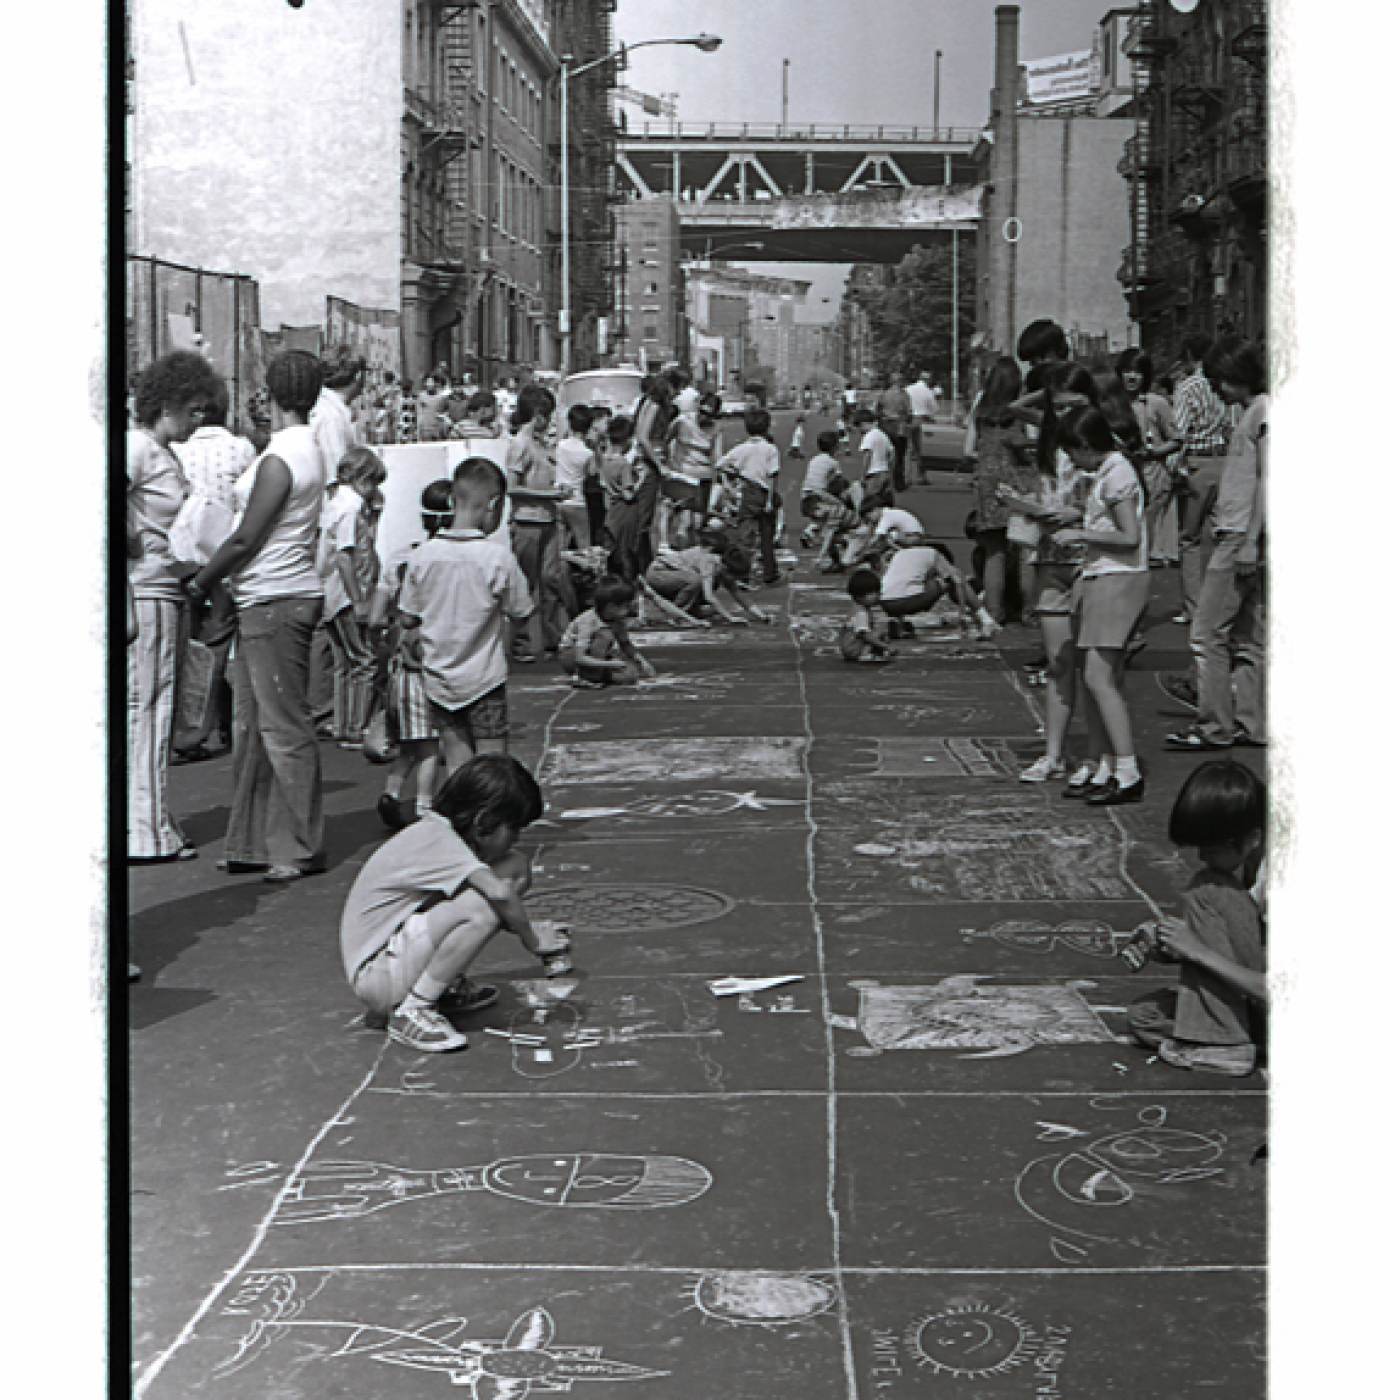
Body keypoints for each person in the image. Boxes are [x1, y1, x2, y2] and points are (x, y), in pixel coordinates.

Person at [185, 350, 330, 882]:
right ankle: (253, 840)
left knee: (282, 726)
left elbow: (247, 535)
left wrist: (202, 581)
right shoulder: (303, 449)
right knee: (255, 725)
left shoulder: (281, 458)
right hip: (272, 595)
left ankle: (297, 844)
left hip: (274, 597)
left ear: (271, 393)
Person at [340, 753, 573, 1052]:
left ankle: (438, 988)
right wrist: (532, 939)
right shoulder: (439, 841)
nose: (515, 838)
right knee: (485, 906)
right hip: (378, 977)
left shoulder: (438, 833)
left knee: (512, 867)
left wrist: (526, 925)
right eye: (513, 828)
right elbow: (498, 896)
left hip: (388, 961)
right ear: (483, 821)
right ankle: (414, 1008)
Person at [127, 350, 224, 862]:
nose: (200, 417)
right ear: (167, 404)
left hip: (163, 586)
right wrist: (135, 545)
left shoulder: (162, 453)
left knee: (154, 705)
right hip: (146, 588)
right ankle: (144, 829)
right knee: (149, 706)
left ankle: (150, 817)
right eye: (193, 408)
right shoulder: (138, 449)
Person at [1126, 761, 1266, 1076]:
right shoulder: (1250, 862)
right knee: (1145, 1015)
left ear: (1252, 837)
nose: (1203, 856)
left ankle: (1225, 1046)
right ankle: (1226, 1037)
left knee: (1208, 889)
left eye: (1211, 847)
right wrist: (1169, 943)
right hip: (1256, 1003)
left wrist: (1196, 950)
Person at [398, 457, 534, 781]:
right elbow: (522, 610)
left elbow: (407, 617)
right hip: (484, 676)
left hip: (439, 676)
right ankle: (491, 819)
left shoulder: (422, 556)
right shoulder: (497, 558)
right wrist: (509, 643)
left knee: (457, 758)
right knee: (493, 761)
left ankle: (462, 824)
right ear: (494, 505)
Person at [1165, 338, 1268, 752]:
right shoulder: (1255, 413)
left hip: (1241, 535)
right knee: (1248, 636)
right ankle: (1251, 721)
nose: (1219, 391)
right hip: (1246, 533)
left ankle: (1214, 725)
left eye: (1220, 382)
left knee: (1206, 634)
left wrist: (1251, 541)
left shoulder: (1262, 414)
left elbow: (1268, 480)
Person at [1045, 407, 1149, 805]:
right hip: (1102, 575)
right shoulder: (1107, 473)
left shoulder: (1118, 474)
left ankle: (1127, 769)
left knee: (1099, 678)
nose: (1072, 461)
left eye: (1074, 452)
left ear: (1088, 445)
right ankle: (1106, 761)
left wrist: (1080, 534)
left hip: (1117, 577)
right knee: (1098, 677)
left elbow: (1130, 536)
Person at [376, 480, 453, 830]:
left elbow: (376, 615)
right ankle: (424, 806)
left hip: (398, 670)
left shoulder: (401, 557)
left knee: (410, 743)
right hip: (428, 664)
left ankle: (392, 793)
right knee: (431, 747)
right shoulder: (447, 560)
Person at [318, 446, 387, 749]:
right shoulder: (351, 508)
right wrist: (358, 598)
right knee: (364, 660)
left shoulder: (334, 503)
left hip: (331, 591)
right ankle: (358, 725)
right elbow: (345, 556)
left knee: (343, 662)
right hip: (348, 591)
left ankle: (344, 723)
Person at [963, 357, 1034, 625]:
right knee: (1026, 546)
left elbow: (968, 450)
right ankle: (1029, 610)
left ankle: (995, 611)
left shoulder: (981, 407)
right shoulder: (1021, 408)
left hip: (987, 485)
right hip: (1019, 482)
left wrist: (988, 460)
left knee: (995, 550)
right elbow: (1031, 441)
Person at [504, 385, 571, 663]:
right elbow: (512, 486)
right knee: (525, 583)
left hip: (547, 519)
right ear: (538, 414)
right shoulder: (520, 445)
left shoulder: (541, 445)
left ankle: (552, 637)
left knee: (551, 580)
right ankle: (520, 643)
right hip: (527, 520)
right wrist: (548, 495)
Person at [1170, 334, 1232, 625]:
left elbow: (1179, 432)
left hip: (1196, 462)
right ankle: (1222, 605)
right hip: (1225, 460)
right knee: (1222, 536)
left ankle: (1195, 609)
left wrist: (1173, 464)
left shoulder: (1187, 387)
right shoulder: (1224, 384)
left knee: (1189, 539)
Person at [1116, 348, 1180, 567]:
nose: (1132, 377)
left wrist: (1154, 452)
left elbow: (1176, 439)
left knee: (1147, 531)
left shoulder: (1156, 403)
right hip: (1121, 471)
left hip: (1152, 472)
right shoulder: (1113, 403)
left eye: (1138, 372)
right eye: (1127, 371)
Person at [879, 532, 996, 639]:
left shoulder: (900, 554)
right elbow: (957, 581)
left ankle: (899, 624)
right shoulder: (934, 554)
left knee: (907, 584)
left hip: (887, 603)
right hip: (910, 600)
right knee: (956, 575)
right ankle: (986, 620)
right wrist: (962, 613)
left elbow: (895, 583)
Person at [645, 529, 770, 626]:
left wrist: (762, 616)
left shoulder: (723, 564)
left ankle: (691, 610)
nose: (734, 580)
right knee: (699, 582)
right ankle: (678, 615)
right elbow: (709, 596)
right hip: (659, 573)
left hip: (676, 576)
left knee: (706, 583)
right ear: (726, 568)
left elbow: (738, 594)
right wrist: (730, 617)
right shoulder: (710, 561)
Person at [717, 407, 782, 586]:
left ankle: (742, 573)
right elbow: (772, 476)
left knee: (745, 534)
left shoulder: (741, 449)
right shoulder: (770, 449)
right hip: (763, 491)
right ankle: (770, 572)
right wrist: (769, 500)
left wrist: (738, 474)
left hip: (748, 491)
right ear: (767, 427)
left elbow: (720, 465)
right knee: (766, 534)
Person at [557, 575, 657, 689]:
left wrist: (642, 661)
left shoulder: (617, 620)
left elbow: (625, 645)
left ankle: (596, 675)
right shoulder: (589, 621)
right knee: (605, 634)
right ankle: (587, 676)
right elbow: (580, 657)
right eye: (626, 606)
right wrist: (610, 664)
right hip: (572, 656)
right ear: (611, 607)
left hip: (597, 657)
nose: (629, 610)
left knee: (630, 675)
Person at [663, 391, 723, 546]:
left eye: (708, 415)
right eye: (702, 412)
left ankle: (693, 548)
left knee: (698, 520)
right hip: (683, 472)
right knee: (683, 515)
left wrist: (720, 477)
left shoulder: (716, 428)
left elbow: (717, 455)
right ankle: (678, 543)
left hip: (704, 474)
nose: (703, 417)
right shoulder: (682, 421)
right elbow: (665, 439)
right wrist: (666, 462)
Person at [798, 430, 855, 567]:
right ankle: (841, 542)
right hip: (818, 497)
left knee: (827, 526)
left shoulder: (814, 460)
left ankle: (816, 534)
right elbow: (840, 481)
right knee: (837, 516)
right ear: (835, 447)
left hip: (805, 497)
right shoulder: (833, 463)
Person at [839, 568, 895, 663]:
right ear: (861, 595)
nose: (878, 595)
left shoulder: (859, 608)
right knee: (878, 632)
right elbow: (866, 636)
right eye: (875, 593)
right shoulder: (861, 613)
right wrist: (886, 646)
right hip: (853, 649)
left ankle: (869, 652)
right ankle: (865, 654)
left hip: (851, 647)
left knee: (879, 632)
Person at [877, 371, 913, 492]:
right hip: (900, 427)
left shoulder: (884, 394)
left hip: (886, 426)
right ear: (899, 381)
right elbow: (909, 411)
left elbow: (878, 410)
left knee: (886, 455)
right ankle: (898, 482)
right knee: (899, 455)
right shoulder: (904, 395)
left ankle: (886, 482)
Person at [853, 407, 895, 510]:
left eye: (859, 427)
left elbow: (867, 456)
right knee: (884, 500)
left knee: (871, 501)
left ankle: (873, 522)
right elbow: (892, 452)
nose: (859, 430)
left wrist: (863, 475)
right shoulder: (882, 434)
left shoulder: (869, 436)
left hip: (873, 473)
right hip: (884, 471)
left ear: (863, 423)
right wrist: (889, 468)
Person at [906, 370, 939, 485]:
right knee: (918, 450)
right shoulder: (928, 392)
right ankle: (920, 476)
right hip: (920, 419)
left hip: (908, 419)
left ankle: (907, 476)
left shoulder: (908, 389)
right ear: (928, 379)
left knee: (907, 449)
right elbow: (934, 409)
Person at [416, 374, 450, 442]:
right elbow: (419, 413)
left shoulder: (442, 397)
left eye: (431, 382)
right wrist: (418, 428)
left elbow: (447, 412)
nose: (429, 384)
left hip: (438, 429)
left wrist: (444, 418)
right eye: (427, 382)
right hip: (425, 429)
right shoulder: (421, 396)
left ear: (435, 383)